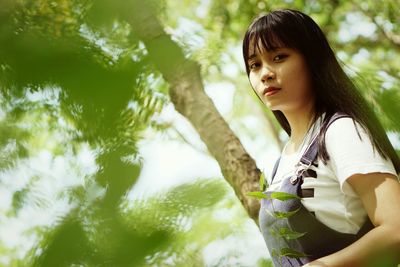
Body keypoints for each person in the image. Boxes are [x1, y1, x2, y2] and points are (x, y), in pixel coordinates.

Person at [242, 9, 400, 267]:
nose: (265, 73)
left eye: (279, 57)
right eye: (254, 65)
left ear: (311, 59)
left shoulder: (341, 131)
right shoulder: (282, 163)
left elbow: (396, 229)